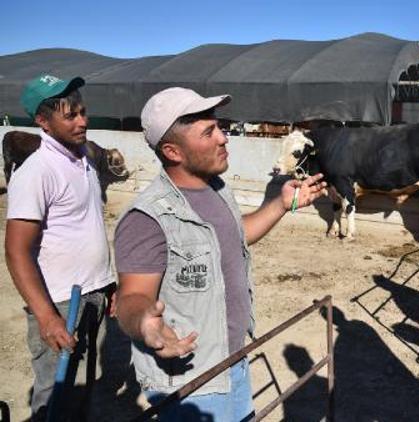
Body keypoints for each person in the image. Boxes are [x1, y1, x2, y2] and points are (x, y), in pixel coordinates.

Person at [114, 87, 326, 421]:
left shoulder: (215, 189)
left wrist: (281, 205)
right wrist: (144, 323)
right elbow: (131, 297)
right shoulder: (147, 219)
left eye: (220, 127)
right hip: (192, 382)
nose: (224, 138)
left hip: (233, 360)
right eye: (209, 132)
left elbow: (234, 236)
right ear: (173, 151)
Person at [5, 74, 116, 421]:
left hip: (93, 294)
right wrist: (46, 316)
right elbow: (16, 251)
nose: (83, 121)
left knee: (84, 391)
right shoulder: (37, 171)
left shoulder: (83, 159)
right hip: (60, 302)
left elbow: (86, 226)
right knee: (56, 402)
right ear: (43, 122)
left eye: (83, 112)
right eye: (70, 116)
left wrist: (106, 283)